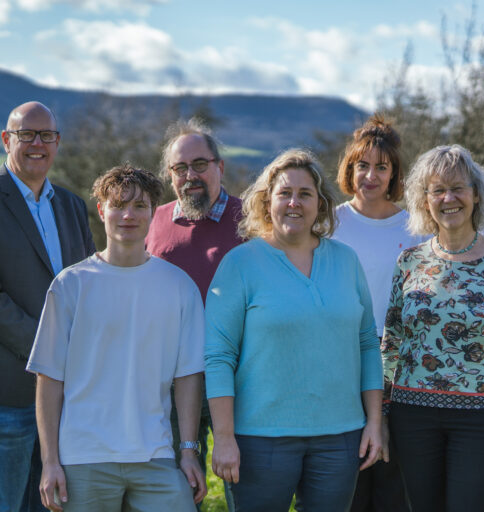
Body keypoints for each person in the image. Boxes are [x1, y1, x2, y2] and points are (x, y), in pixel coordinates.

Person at [206, 148, 385, 512]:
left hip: (340, 437)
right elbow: (219, 356)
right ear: (266, 201)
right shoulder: (240, 264)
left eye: (305, 194)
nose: (294, 203)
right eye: (284, 193)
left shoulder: (346, 260)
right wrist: (223, 437)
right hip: (260, 440)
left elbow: (367, 343)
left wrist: (374, 422)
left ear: (320, 204)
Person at [27, 164, 207, 512]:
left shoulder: (179, 285)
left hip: (156, 455)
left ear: (154, 212)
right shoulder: (70, 285)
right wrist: (50, 462)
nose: (128, 215)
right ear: (101, 210)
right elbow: (49, 378)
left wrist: (188, 451)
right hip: (83, 457)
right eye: (118, 204)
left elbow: (188, 376)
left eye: (139, 206)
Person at [0, 101, 95, 511]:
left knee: (51, 502)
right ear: (6, 139)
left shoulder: (71, 205)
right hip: (3, 385)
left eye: (46, 135)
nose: (36, 144)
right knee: (4, 503)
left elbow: (87, 286)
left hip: (65, 391)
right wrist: (51, 350)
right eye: (25, 134)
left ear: (57, 142)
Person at [382, 144, 484, 512]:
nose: (448, 198)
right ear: (425, 201)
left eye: (458, 188)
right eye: (437, 190)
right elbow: (391, 346)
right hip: (413, 417)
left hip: (483, 421)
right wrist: (383, 418)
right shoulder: (409, 262)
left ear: (476, 194)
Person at [145, 118, 244, 510]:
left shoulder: (250, 219)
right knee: (178, 492)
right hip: (171, 376)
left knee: (244, 487)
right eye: (180, 168)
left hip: (237, 376)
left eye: (199, 164)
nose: (190, 176)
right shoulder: (153, 220)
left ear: (220, 166)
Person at [332, 114, 424, 512]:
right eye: (362, 165)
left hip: (399, 368)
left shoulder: (416, 227)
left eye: (381, 167)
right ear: (349, 169)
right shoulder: (329, 222)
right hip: (341, 362)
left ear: (393, 174)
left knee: (391, 478)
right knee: (348, 475)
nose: (370, 175)